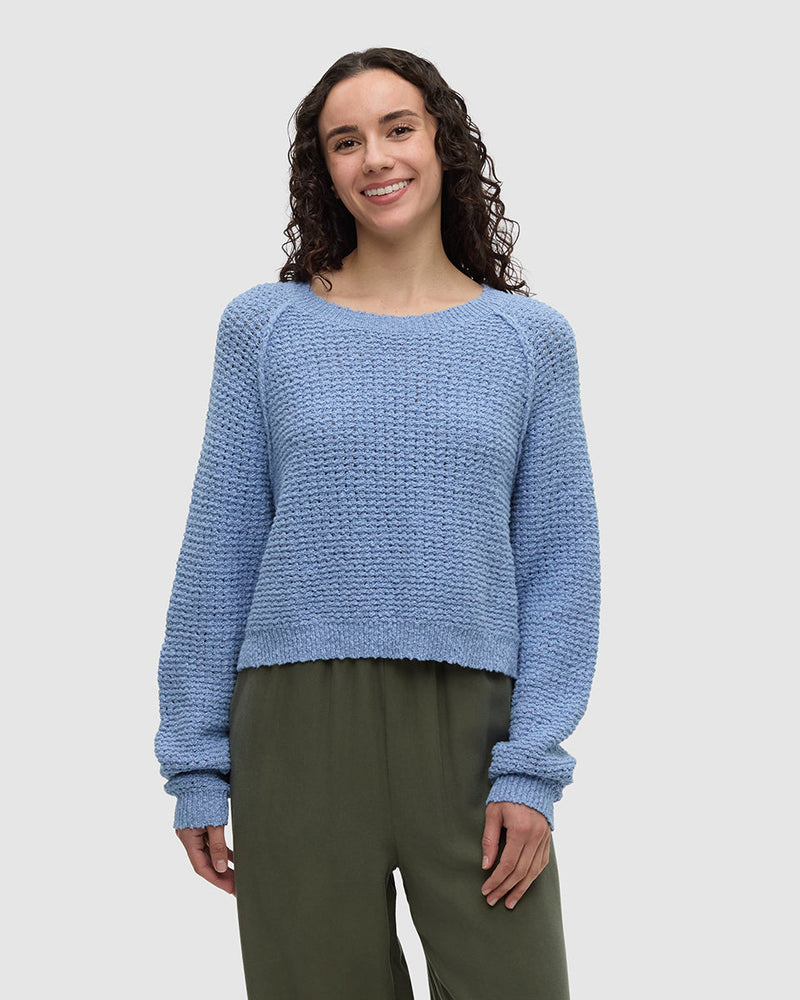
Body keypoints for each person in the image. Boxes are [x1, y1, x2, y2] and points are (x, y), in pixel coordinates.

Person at [155, 45, 601, 1000]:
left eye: (398, 129)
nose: (376, 158)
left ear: (443, 144)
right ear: (324, 169)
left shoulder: (529, 341)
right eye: (345, 141)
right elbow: (220, 548)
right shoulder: (265, 328)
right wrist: (195, 761)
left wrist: (531, 769)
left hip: (475, 730)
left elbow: (560, 564)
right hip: (296, 725)